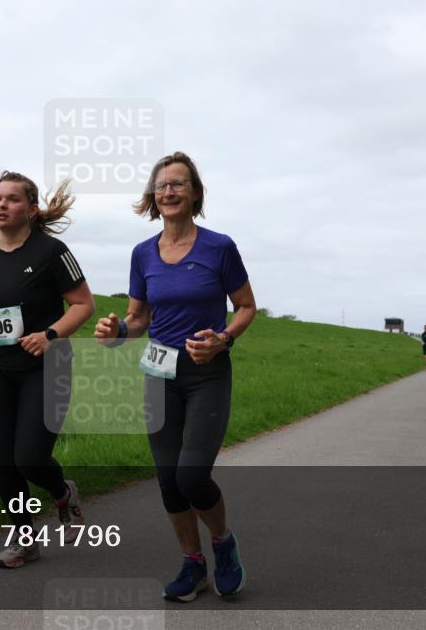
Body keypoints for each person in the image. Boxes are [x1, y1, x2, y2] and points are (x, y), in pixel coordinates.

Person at [94, 151, 256, 602]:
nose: (168, 191)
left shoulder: (219, 247)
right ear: (152, 196)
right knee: (168, 479)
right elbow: (138, 317)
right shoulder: (142, 253)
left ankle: (223, 544)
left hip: (207, 372)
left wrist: (223, 339)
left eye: (178, 184)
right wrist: (117, 332)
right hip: (159, 370)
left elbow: (246, 306)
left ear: (195, 193)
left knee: (191, 475)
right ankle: (193, 564)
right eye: (161, 185)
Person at [0, 171, 96, 568]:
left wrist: (50, 335)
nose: (1, 205)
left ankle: (63, 493)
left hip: (47, 366)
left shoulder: (51, 252)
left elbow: (83, 305)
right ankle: (24, 540)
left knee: (29, 457)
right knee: (3, 460)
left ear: (31, 209)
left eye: (12, 199)